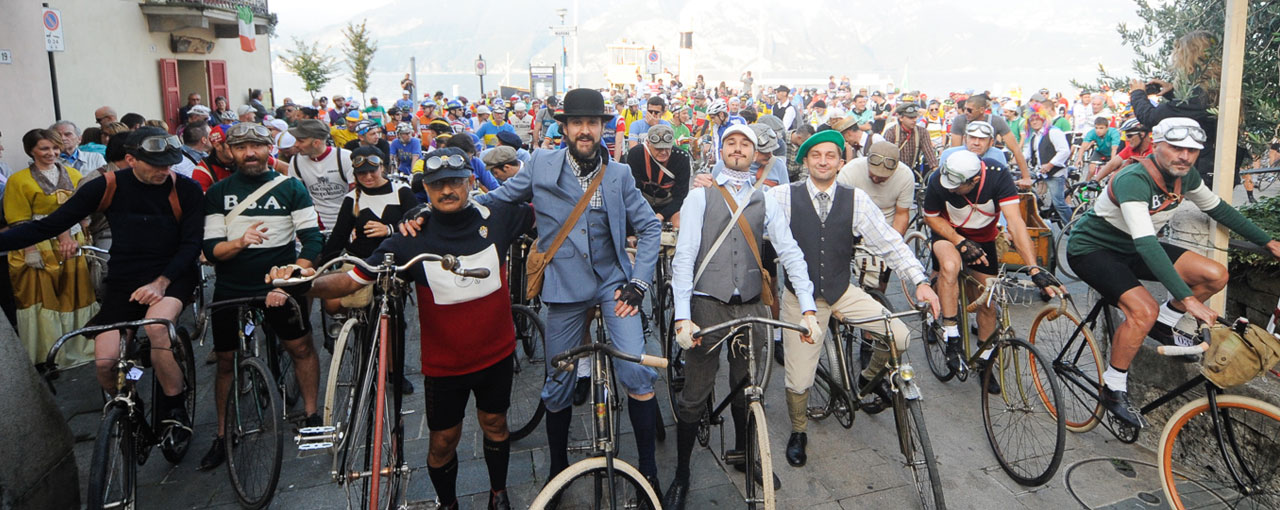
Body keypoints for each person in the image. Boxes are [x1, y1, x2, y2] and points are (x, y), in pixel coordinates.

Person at [436, 89, 664, 492]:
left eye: (592, 123)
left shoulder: (619, 174)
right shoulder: (540, 163)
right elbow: (498, 199)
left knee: (635, 370)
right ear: (564, 128)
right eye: (577, 123)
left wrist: (639, 282)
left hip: (615, 285)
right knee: (558, 380)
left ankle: (648, 469)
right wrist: (438, 210)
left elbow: (648, 227)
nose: (585, 130)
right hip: (564, 289)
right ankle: (559, 468)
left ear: (602, 128)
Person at [278, 147, 530, 510]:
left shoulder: (500, 216)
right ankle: (448, 504)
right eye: (437, 184)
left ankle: (498, 492)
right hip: (445, 365)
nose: (447, 190)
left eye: (455, 182)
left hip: (497, 352)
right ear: (425, 189)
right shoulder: (410, 237)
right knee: (443, 441)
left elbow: (549, 205)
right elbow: (353, 279)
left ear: (471, 182)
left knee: (496, 424)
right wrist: (305, 284)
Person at [0, 126, 203, 453]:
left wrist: (161, 282)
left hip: (172, 274)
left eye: (169, 164)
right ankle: (128, 407)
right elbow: (50, 225)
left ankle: (175, 410)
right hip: (124, 279)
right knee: (105, 363)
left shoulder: (187, 190)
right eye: (156, 165)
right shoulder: (107, 185)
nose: (164, 171)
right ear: (130, 159)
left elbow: (192, 244)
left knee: (156, 330)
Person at [1067, 117, 1280, 427]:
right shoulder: (1134, 178)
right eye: (1176, 148)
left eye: (1192, 151)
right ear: (1156, 145)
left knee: (1215, 275)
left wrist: (1268, 241)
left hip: (1135, 247)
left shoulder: (1185, 176)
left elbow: (1217, 208)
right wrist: (1189, 301)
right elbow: (1147, 244)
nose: (1185, 156)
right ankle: (1113, 386)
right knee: (1143, 310)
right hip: (1094, 249)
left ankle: (1163, 325)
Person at [664, 125, 822, 509]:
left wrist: (808, 306)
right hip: (707, 302)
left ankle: (744, 452)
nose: (737, 149)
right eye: (730, 143)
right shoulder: (701, 193)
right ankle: (682, 473)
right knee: (695, 392)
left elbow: (790, 251)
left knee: (748, 385)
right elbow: (684, 256)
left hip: (751, 302)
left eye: (745, 144)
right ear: (721, 150)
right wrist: (683, 317)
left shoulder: (764, 198)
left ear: (756, 153)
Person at [774, 129, 939, 468]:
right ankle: (799, 430)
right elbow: (745, 212)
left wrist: (920, 279)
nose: (823, 161)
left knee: (901, 335)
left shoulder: (856, 199)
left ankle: (865, 380)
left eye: (830, 155)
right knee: (799, 377)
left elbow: (889, 242)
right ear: (805, 160)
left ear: (840, 162)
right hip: (800, 299)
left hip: (840, 290)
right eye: (816, 155)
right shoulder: (782, 197)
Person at [198, 122, 324, 470]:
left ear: (269, 148)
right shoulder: (218, 193)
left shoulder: (291, 187)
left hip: (279, 284)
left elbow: (312, 239)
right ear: (229, 151)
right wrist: (239, 242)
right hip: (231, 286)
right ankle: (223, 436)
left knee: (299, 347)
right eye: (241, 147)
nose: (250, 153)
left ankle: (312, 416)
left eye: (256, 146)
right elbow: (211, 248)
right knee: (225, 362)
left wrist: (291, 277)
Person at [925, 151, 1061, 394]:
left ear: (975, 180)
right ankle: (952, 335)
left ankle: (985, 361)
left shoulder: (998, 176)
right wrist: (960, 242)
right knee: (949, 267)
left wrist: (1034, 268)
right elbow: (931, 218)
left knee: (988, 301)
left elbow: (1015, 222)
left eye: (958, 187)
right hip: (949, 235)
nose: (951, 189)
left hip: (984, 238)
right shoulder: (939, 178)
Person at [5, 129, 99, 367]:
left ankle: (77, 345)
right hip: (37, 243)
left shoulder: (73, 174)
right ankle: (48, 351)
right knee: (43, 297)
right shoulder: (18, 180)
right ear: (31, 151)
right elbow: (18, 220)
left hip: (72, 242)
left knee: (75, 292)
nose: (52, 153)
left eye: (55, 148)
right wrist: (29, 250)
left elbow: (85, 210)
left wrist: (85, 237)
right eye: (44, 148)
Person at [948, 94, 1033, 187]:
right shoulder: (960, 121)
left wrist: (1026, 177)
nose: (966, 112)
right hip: (966, 165)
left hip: (989, 165)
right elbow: (956, 150)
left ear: (981, 110)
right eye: (964, 109)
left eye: (969, 110)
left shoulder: (996, 121)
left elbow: (1016, 149)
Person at [288, 119, 355, 229]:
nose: (295, 144)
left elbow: (357, 194)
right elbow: (295, 196)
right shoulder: (296, 161)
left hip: (346, 221)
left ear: (316, 143)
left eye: (300, 141)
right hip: (315, 223)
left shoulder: (344, 157)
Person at [837, 141, 915, 235]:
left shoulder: (905, 176)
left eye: (882, 176)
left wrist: (894, 241)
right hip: (855, 227)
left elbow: (901, 214)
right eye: (873, 173)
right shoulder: (850, 171)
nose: (875, 178)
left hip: (887, 228)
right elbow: (841, 212)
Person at [625, 124, 690, 226]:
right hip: (643, 202)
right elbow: (633, 192)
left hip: (669, 204)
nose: (663, 152)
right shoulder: (636, 154)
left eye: (667, 148)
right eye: (658, 149)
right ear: (648, 143)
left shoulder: (682, 158)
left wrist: (661, 215)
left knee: (679, 222)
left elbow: (681, 196)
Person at [1023, 104, 1073, 224]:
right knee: (1027, 194)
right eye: (1031, 120)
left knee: (1059, 203)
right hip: (1040, 172)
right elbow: (1026, 154)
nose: (1034, 122)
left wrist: (1050, 164)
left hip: (1055, 172)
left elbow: (1064, 151)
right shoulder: (1034, 136)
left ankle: (1073, 228)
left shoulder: (1054, 132)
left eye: (1037, 119)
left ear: (1044, 119)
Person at [882, 103, 939, 176]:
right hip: (893, 173)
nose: (915, 120)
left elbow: (929, 153)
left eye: (915, 117)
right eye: (911, 118)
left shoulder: (922, 132)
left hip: (912, 172)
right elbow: (886, 156)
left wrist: (936, 171)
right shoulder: (891, 132)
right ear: (901, 118)